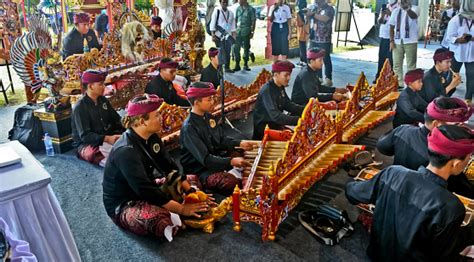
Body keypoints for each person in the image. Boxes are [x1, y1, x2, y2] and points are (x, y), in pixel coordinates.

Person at [346, 124, 474, 261]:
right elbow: (441, 254)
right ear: (455, 163)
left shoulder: (392, 173)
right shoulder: (451, 207)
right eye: (468, 158)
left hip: (376, 256)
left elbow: (353, 193)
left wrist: (352, 186)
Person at [103, 94, 208, 241]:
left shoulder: (152, 137)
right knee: (159, 220)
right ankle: (172, 214)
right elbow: (145, 190)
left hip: (148, 187)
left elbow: (168, 166)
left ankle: (175, 210)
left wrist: (189, 191)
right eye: (157, 115)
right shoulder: (126, 151)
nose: (162, 118)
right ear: (142, 121)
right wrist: (182, 209)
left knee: (191, 180)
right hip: (124, 203)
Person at [377, 97, 474, 197]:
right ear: (436, 124)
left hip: (397, 186)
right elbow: (464, 190)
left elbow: (382, 147)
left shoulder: (402, 130)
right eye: (458, 124)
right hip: (429, 199)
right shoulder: (446, 154)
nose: (462, 128)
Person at [180, 82, 257, 196]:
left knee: (244, 152)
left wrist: (240, 143)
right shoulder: (189, 128)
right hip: (202, 170)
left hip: (218, 156)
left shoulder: (209, 117)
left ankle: (237, 173)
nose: (213, 102)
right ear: (196, 102)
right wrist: (230, 161)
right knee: (231, 183)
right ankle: (237, 177)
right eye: (209, 99)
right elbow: (206, 159)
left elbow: (221, 140)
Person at [72, 70, 124, 166]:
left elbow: (116, 119)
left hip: (107, 136)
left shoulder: (103, 100)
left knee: (128, 141)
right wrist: (107, 139)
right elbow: (85, 136)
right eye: (100, 84)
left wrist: (129, 126)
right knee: (99, 156)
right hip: (88, 144)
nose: (104, 87)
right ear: (90, 86)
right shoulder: (80, 107)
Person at [253, 60, 305, 140]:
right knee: (297, 141)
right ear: (276, 75)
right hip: (265, 131)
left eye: (289, 75)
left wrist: (306, 110)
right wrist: (298, 120)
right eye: (286, 75)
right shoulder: (267, 90)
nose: (289, 78)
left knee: (301, 136)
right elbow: (276, 116)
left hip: (276, 126)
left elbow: (289, 105)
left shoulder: (280, 86)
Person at [446, 0, 474, 103]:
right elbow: (449, 38)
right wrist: (459, 39)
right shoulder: (455, 20)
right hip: (457, 53)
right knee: (453, 76)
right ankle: (445, 96)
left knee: (472, 76)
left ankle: (468, 99)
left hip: (472, 54)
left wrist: (472, 38)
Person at [389, 0, 419, 88]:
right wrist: (391, 41)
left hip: (411, 41)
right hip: (397, 41)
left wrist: (407, 9)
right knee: (397, 64)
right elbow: (391, 26)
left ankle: (411, 85)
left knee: (411, 65)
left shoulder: (415, 8)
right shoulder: (395, 11)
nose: (403, 1)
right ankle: (399, 84)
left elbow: (413, 16)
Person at [309, 0, 335, 86]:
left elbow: (325, 18)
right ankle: (318, 77)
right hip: (314, 37)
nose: (317, 2)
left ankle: (328, 78)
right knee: (315, 58)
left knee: (325, 58)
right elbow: (308, 17)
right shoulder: (314, 8)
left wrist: (312, 14)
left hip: (324, 38)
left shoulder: (329, 9)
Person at [374, 0, 398, 82]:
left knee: (391, 58)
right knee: (381, 56)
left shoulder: (398, 7)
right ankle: (379, 76)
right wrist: (382, 14)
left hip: (392, 37)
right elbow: (380, 21)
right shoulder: (386, 6)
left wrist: (391, 14)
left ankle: (391, 78)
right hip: (383, 35)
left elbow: (399, 21)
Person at [210, 0, 236, 73]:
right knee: (220, 52)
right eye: (223, 2)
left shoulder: (231, 13)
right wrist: (213, 35)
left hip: (228, 36)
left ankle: (227, 68)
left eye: (226, 2)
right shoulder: (217, 11)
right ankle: (220, 68)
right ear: (220, 3)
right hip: (218, 35)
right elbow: (213, 23)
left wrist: (234, 36)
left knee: (228, 52)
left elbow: (233, 25)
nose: (225, 3)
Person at [233, 0, 256, 71]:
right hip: (238, 31)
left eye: (240, 0)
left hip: (246, 31)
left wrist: (252, 32)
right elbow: (235, 20)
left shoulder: (251, 9)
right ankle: (237, 64)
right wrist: (234, 30)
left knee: (246, 48)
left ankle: (245, 64)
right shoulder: (238, 9)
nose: (238, 1)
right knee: (236, 48)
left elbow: (253, 21)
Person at [295, 0, 310, 67]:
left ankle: (303, 61)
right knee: (305, 47)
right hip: (307, 31)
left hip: (301, 32)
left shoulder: (299, 12)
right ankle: (302, 61)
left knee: (302, 47)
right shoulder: (308, 11)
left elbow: (299, 23)